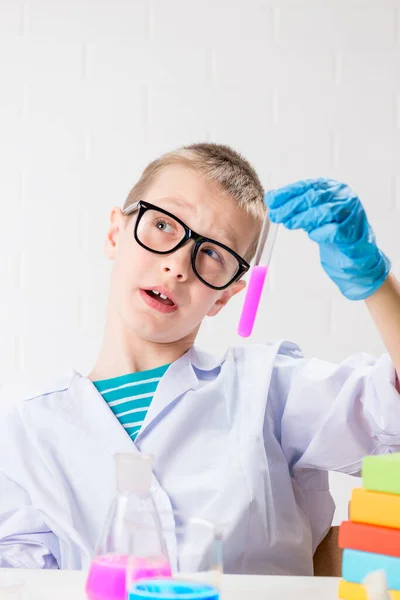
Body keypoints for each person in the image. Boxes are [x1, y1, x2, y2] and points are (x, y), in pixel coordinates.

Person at [0, 143, 399, 575]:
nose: (177, 266)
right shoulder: (29, 431)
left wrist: (374, 284)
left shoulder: (270, 390)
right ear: (116, 233)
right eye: (163, 224)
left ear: (226, 294)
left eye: (213, 253)